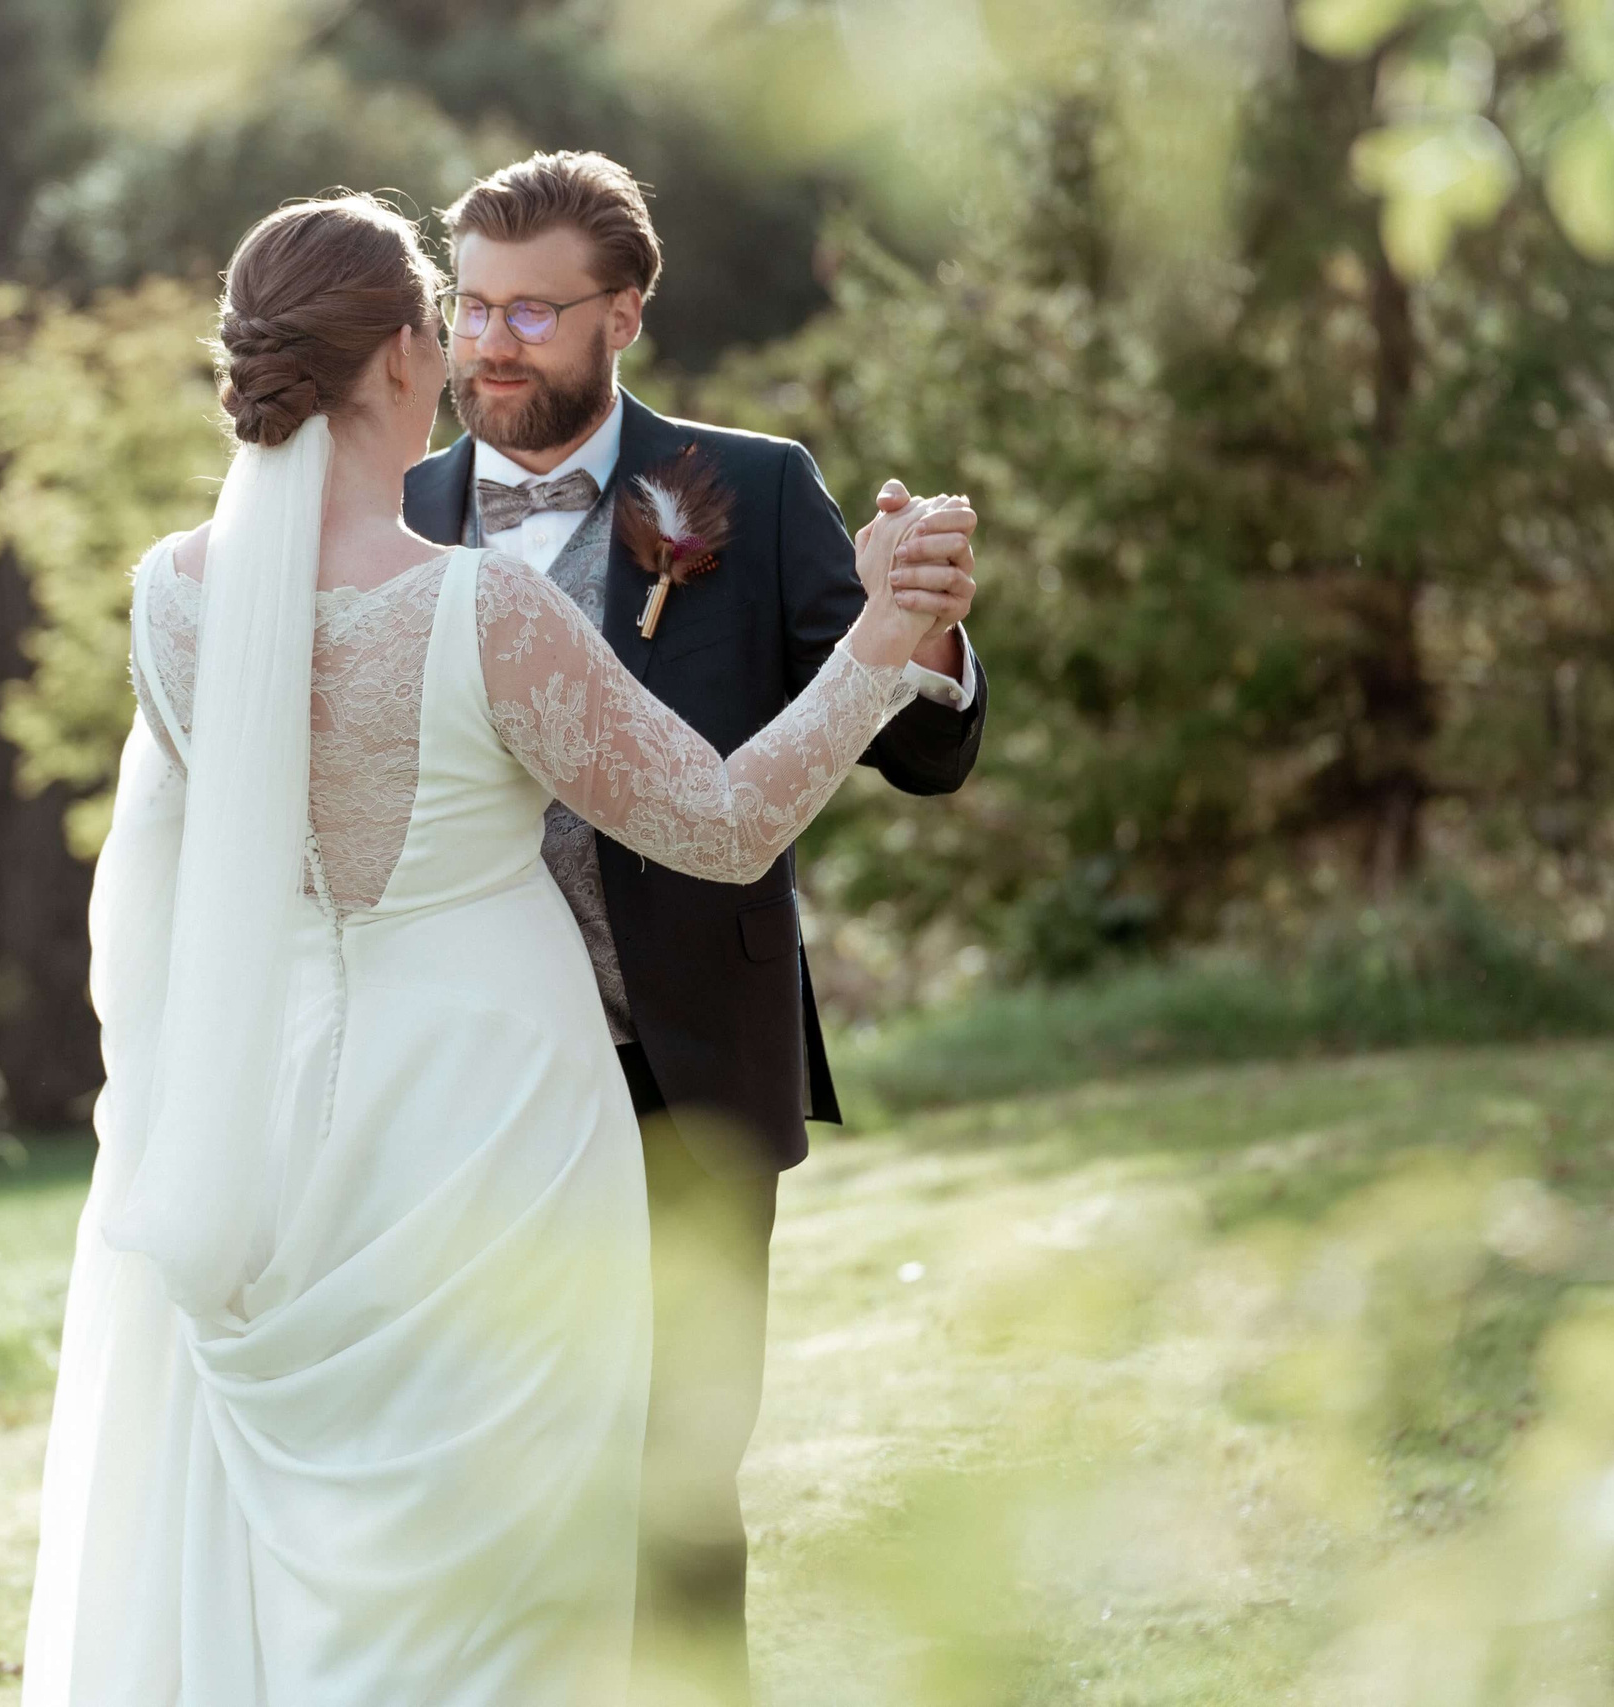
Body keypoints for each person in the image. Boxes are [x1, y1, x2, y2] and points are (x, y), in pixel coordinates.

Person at [19, 188, 976, 1705]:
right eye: (458, 317)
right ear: (408, 351)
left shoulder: (167, 603)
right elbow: (721, 824)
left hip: (285, 1115)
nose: (477, 348)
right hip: (498, 1119)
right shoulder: (481, 607)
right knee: (536, 1538)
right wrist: (870, 656)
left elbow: (149, 897)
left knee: (334, 1539)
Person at [404, 151, 983, 1695]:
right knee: (485, 1466)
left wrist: (919, 633)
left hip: (684, 1069)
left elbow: (923, 755)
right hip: (456, 1082)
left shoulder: (756, 488)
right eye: (470, 305)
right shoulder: (383, 514)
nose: (492, 341)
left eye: (534, 310)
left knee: (679, 1473)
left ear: (625, 316)